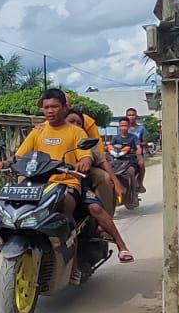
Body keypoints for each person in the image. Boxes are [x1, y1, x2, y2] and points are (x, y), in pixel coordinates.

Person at [14, 89, 133, 267]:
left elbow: (85, 153)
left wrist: (85, 160)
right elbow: (21, 155)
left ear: (64, 108)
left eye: (54, 106)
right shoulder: (37, 131)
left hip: (67, 182)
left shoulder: (77, 132)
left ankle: (86, 257)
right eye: (46, 107)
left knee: (72, 208)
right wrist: (7, 161)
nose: (50, 111)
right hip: (40, 183)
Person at [124, 107, 148, 192]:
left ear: (136, 116)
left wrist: (136, 145)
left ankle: (140, 182)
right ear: (126, 116)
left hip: (137, 153)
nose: (131, 117)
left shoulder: (141, 128)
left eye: (133, 115)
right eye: (129, 115)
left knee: (141, 164)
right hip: (124, 153)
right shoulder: (123, 128)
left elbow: (145, 142)